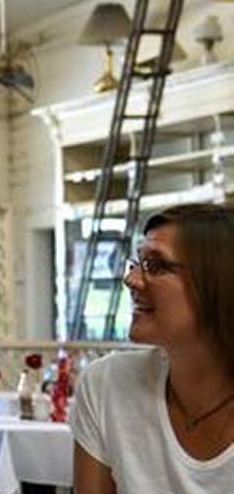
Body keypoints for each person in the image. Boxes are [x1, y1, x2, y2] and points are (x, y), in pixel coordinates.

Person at [72, 203, 234, 493]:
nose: (130, 279)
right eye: (136, 264)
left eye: (156, 266)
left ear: (220, 281)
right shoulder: (107, 385)